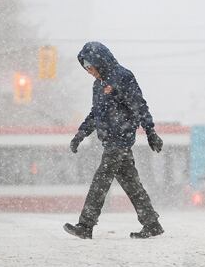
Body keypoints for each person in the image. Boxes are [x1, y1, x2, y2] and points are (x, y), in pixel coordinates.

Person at [64, 42, 164, 240]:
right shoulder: (98, 85)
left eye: (89, 66)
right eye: (85, 68)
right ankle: (152, 223)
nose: (88, 71)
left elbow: (139, 105)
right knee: (131, 184)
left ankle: (86, 224)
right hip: (109, 141)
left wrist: (150, 131)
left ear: (99, 61)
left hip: (121, 139)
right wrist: (80, 134)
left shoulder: (123, 77)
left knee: (101, 180)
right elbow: (95, 114)